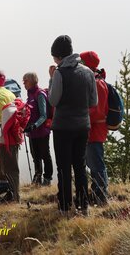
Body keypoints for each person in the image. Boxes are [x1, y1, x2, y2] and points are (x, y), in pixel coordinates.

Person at [48, 35, 98, 216]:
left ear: (59, 56)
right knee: (80, 165)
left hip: (63, 127)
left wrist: (52, 79)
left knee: (63, 166)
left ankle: (64, 206)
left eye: (54, 55)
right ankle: (83, 205)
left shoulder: (60, 73)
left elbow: (53, 101)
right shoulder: (88, 72)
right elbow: (93, 101)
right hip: (83, 125)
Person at [80, 51, 109, 206]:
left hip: (95, 130)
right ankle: (97, 194)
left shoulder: (97, 84)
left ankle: (101, 196)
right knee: (93, 164)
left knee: (96, 164)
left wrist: (79, 115)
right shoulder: (95, 81)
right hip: (92, 129)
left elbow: (96, 110)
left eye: (81, 62)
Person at [0, 70, 21, 202]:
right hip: (14, 131)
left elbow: (5, 115)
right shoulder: (9, 93)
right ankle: (13, 193)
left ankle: (14, 196)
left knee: (9, 165)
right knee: (11, 163)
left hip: (5, 131)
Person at [23, 72, 53, 186]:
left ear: (31, 81)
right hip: (32, 132)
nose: (24, 83)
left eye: (25, 80)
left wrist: (35, 125)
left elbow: (43, 115)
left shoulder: (39, 94)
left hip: (42, 131)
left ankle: (47, 178)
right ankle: (37, 177)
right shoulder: (30, 94)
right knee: (35, 155)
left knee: (45, 154)